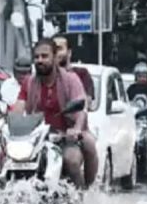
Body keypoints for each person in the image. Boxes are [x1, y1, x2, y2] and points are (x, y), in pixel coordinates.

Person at [13, 38, 97, 189]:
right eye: (37, 57)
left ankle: (82, 194)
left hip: (66, 138)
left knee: (72, 160)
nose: (40, 60)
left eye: (45, 56)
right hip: (37, 139)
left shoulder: (70, 80)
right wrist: (9, 123)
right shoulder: (29, 82)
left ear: (55, 58)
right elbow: (18, 107)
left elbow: (81, 108)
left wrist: (76, 129)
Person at [52, 34, 95, 108]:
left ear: (69, 53)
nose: (55, 53)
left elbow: (86, 102)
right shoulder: (45, 77)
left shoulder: (82, 74)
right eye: (53, 50)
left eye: (59, 49)